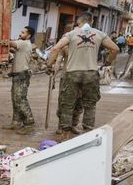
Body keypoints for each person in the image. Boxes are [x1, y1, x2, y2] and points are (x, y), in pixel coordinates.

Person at [46, 11, 118, 139]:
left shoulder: (71, 34)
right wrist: (107, 62)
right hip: (91, 74)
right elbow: (115, 49)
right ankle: (88, 135)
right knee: (90, 105)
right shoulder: (100, 34)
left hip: (72, 73)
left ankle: (65, 136)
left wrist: (49, 65)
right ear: (92, 22)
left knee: (67, 105)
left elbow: (55, 49)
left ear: (78, 22)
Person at [1, 26, 36, 134]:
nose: (21, 34)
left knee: (20, 100)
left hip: (22, 75)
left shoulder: (24, 43)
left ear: (29, 35)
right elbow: (13, 48)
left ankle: (29, 124)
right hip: (18, 75)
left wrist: (3, 39)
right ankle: (16, 122)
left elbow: (11, 44)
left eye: (23, 32)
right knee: (15, 99)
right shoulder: (23, 45)